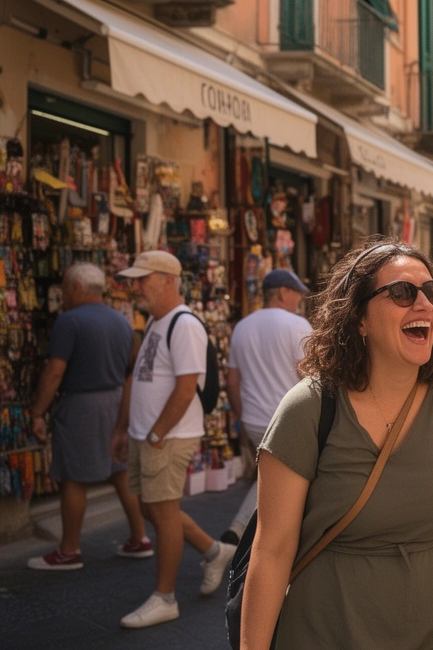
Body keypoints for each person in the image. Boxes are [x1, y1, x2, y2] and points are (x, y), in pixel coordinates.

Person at [240, 238, 433, 649]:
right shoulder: (309, 407)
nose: (423, 304)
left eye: (432, 292)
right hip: (328, 625)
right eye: (400, 292)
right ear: (358, 318)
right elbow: (272, 549)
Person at [112, 251, 235, 628]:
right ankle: (215, 551)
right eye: (132, 281)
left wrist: (155, 434)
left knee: (162, 514)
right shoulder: (155, 322)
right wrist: (124, 430)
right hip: (147, 435)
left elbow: (185, 389)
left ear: (167, 280)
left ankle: (165, 598)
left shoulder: (183, 324)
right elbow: (140, 378)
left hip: (167, 436)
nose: (133, 288)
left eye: (141, 280)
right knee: (151, 509)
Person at [27, 263, 150, 571]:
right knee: (119, 470)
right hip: (116, 401)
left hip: (81, 405)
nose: (63, 295)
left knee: (74, 477)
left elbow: (55, 371)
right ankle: (140, 537)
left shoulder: (69, 321)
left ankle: (69, 550)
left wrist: (37, 412)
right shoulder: (121, 322)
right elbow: (130, 368)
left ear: (76, 288)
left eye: (65, 289)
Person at [219, 269, 312, 546]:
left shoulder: (242, 326)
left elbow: (232, 381)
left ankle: (240, 534)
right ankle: (246, 535)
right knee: (290, 482)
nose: (299, 299)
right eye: (297, 293)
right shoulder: (297, 325)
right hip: (290, 420)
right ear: (283, 292)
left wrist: (241, 417)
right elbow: (308, 375)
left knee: (273, 478)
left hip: (256, 420)